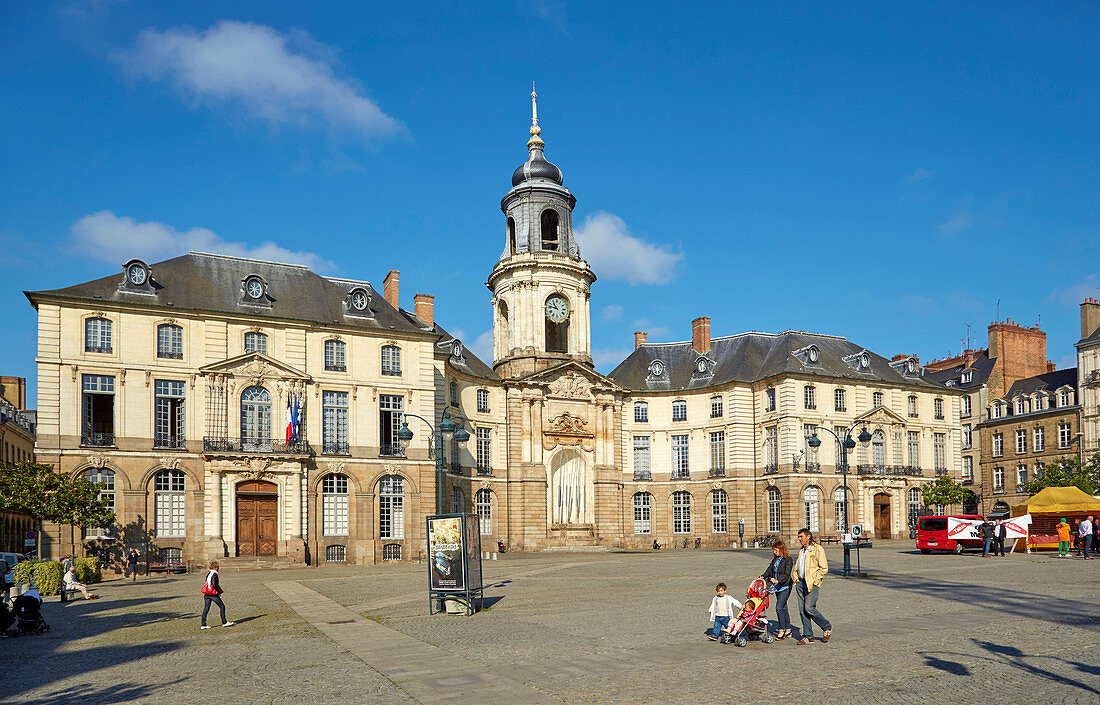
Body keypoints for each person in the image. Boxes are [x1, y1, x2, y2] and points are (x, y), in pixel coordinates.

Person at [792, 528, 831, 645]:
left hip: (811, 583)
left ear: (808, 537)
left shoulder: (817, 549)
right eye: (799, 537)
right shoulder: (802, 551)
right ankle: (808, 636)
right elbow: (798, 566)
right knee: (802, 611)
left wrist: (815, 580)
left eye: (801, 537)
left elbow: (824, 568)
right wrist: (796, 578)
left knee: (809, 608)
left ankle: (826, 626)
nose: (799, 539)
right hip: (800, 582)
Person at [759, 539, 794, 639]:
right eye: (774, 550)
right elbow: (770, 569)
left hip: (785, 586)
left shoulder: (788, 560)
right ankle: (788, 629)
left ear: (782, 549)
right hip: (776, 587)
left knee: (779, 607)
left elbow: (786, 574)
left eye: (776, 550)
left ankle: (781, 629)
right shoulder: (775, 559)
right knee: (784, 607)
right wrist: (763, 576)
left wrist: (778, 580)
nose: (774, 552)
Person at [200, 561, 234, 629]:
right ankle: (224, 622)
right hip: (212, 594)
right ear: (215, 568)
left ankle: (203, 624)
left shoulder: (209, 573)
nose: (218, 569)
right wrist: (218, 592)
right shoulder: (214, 574)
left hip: (206, 593)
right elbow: (214, 584)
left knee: (206, 608)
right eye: (218, 567)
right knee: (222, 606)